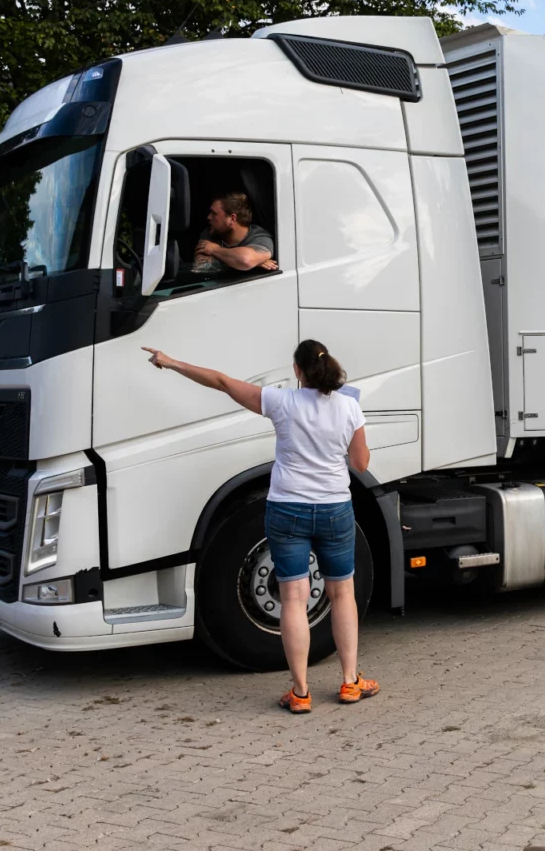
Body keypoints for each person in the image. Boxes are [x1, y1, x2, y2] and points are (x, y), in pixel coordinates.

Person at [141, 339, 377, 712]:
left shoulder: (281, 402)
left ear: (297, 371)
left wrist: (170, 363)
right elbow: (361, 464)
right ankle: (350, 683)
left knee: (293, 599)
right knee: (342, 594)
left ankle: (300, 693)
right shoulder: (349, 405)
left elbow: (221, 381)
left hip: (288, 508)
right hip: (334, 509)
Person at [193, 192, 278, 274]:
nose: (209, 217)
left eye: (214, 214)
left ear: (232, 219)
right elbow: (201, 265)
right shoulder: (210, 232)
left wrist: (215, 250)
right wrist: (254, 263)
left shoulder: (260, 237)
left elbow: (245, 260)